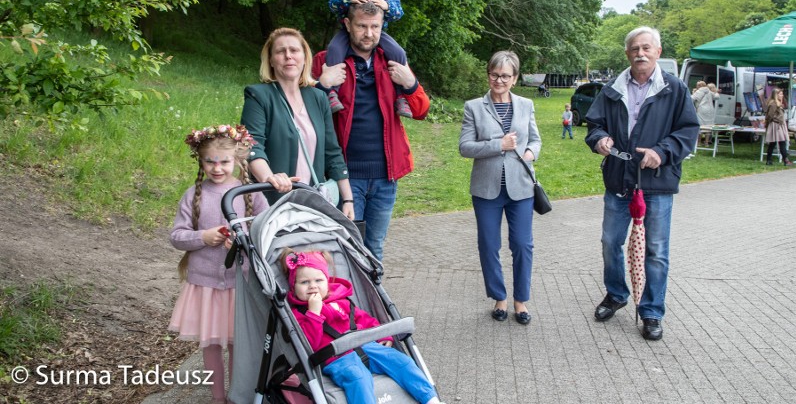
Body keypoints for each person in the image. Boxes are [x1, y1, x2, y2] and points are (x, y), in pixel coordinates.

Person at [584, 26, 699, 341]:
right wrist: (599, 139)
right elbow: (593, 124)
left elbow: (689, 131)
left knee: (657, 251)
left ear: (658, 52)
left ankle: (651, 311)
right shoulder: (612, 88)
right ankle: (617, 293)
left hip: (657, 183)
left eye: (647, 48)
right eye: (635, 48)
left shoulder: (674, 90)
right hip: (619, 180)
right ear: (627, 53)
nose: (640, 53)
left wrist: (662, 152)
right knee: (610, 242)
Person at [312, 1, 430, 261]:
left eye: (375, 27)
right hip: (344, 175)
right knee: (346, 247)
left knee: (374, 247)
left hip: (385, 176)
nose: (368, 33)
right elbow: (304, 113)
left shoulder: (392, 61)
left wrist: (410, 83)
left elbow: (421, 111)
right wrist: (322, 85)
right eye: (362, 26)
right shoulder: (326, 61)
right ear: (347, 25)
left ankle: (373, 302)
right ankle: (349, 301)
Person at [169, 124, 270, 404]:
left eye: (224, 161)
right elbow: (177, 236)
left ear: (237, 159)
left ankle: (239, 395)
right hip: (206, 286)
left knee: (239, 343)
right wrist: (203, 236)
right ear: (201, 161)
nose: (217, 168)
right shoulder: (193, 195)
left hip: (241, 284)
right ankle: (217, 397)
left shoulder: (251, 193)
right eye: (210, 161)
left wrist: (243, 241)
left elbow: (265, 231)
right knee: (212, 343)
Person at [281, 249, 444, 404]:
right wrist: (314, 314)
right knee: (358, 378)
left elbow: (366, 320)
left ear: (327, 281)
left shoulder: (343, 302)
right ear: (293, 287)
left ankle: (429, 398)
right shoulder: (300, 314)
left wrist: (383, 335)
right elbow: (310, 344)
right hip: (337, 358)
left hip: (367, 347)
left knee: (401, 361)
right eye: (304, 282)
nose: (313, 286)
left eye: (318, 280)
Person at [459, 51, 541, 325]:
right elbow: (465, 147)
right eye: (494, 74)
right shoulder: (473, 106)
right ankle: (499, 298)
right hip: (486, 189)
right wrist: (498, 145)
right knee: (489, 245)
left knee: (522, 244)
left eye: (505, 76)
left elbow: (536, 140)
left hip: (520, 187)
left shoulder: (526, 105)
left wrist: (530, 153)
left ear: (515, 79)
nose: (499, 80)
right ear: (488, 74)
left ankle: (521, 300)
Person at [241, 27, 355, 217]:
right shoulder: (259, 95)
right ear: (270, 59)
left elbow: (332, 152)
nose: (288, 56)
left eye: (294, 50)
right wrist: (270, 178)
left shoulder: (318, 97)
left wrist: (348, 199)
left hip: (313, 202)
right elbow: (252, 146)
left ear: (304, 57)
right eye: (280, 51)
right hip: (275, 201)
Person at [327, 0, 411, 118]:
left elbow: (399, 12)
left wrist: (387, 5)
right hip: (348, 31)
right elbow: (332, 3)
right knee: (333, 50)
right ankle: (332, 92)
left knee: (398, 52)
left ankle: (400, 96)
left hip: (378, 33)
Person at [765, 88, 793, 166]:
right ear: (776, 95)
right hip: (776, 124)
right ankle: (786, 160)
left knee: (774, 143)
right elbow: (770, 115)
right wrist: (773, 122)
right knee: (781, 142)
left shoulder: (778, 103)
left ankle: (769, 160)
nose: (782, 95)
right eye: (780, 94)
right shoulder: (773, 104)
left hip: (778, 124)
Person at [691, 80, 717, 147]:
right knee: (708, 127)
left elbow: (692, 99)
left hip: (702, 110)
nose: (696, 86)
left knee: (700, 126)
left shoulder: (700, 91)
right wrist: (715, 91)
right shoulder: (709, 91)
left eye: (697, 85)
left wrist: (693, 93)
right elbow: (717, 97)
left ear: (700, 86)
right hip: (710, 111)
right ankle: (706, 143)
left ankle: (699, 142)